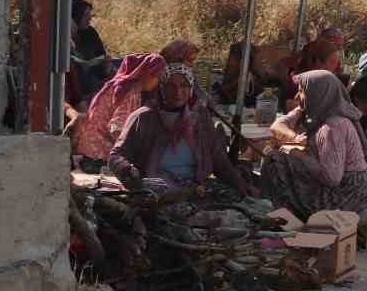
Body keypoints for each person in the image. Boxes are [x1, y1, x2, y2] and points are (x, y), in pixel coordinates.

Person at [108, 63, 256, 196]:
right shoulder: (144, 117)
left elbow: (218, 158)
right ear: (162, 88)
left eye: (184, 86)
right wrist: (127, 171)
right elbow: (115, 156)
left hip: (196, 187)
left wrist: (240, 185)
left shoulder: (200, 116)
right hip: (157, 189)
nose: (178, 92)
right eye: (171, 86)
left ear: (191, 89)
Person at [260, 70, 367, 218]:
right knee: (275, 153)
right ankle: (281, 213)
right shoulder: (313, 112)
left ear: (318, 93)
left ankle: (284, 215)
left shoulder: (333, 126)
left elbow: (332, 179)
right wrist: (295, 140)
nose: (296, 97)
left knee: (276, 160)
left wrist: (301, 154)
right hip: (343, 188)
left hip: (346, 194)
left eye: (301, 92)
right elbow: (277, 125)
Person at [74, 53, 166, 167]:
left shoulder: (119, 86)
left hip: (89, 151)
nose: (157, 81)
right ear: (145, 73)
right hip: (99, 155)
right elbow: (117, 128)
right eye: (156, 76)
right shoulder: (129, 91)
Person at [67, 0, 111, 106]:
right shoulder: (64, 36)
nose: (90, 18)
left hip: (96, 78)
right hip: (79, 87)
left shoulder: (90, 33)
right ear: (75, 16)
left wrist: (105, 65)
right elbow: (72, 62)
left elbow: (102, 56)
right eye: (86, 15)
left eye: (90, 15)